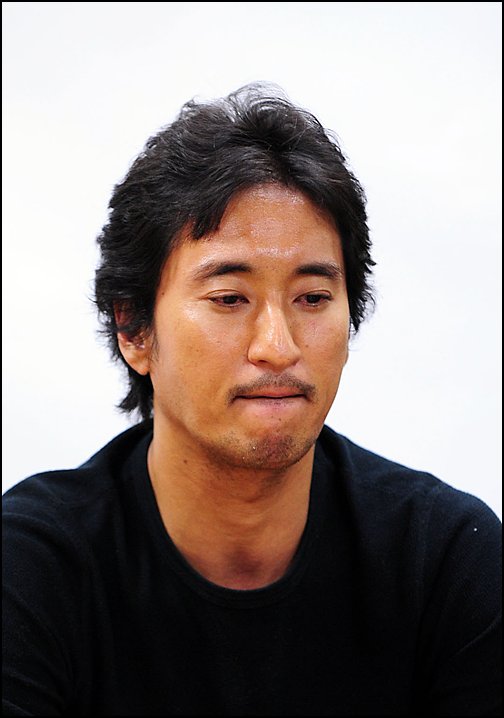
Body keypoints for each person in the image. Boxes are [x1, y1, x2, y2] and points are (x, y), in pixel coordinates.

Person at [2, 83, 501, 717]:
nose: (277, 346)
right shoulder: (31, 572)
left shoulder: (447, 561)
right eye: (229, 299)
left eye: (312, 299)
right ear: (134, 330)